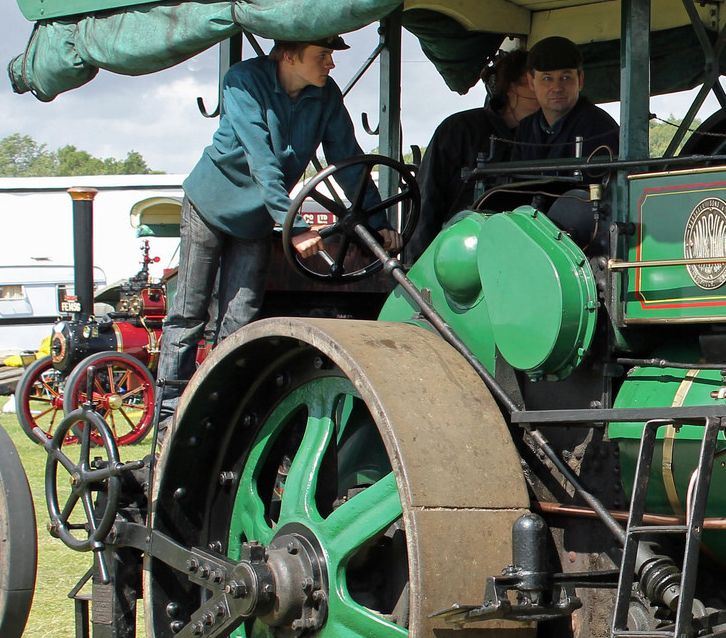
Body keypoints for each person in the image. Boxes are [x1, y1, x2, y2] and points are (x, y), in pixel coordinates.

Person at [155, 35, 397, 427]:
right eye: (322, 56)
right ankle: (166, 421)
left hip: (255, 216)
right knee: (188, 313)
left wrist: (378, 221)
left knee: (240, 319)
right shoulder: (242, 81)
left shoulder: (325, 95)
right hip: (210, 203)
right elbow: (262, 161)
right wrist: (295, 226)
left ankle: (219, 417)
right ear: (289, 56)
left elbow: (348, 160)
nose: (331, 65)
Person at [404, 35, 620, 261]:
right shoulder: (527, 129)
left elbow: (593, 207)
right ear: (531, 82)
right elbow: (516, 192)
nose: (556, 87)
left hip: (579, 251)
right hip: (530, 244)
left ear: (580, 80)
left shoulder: (600, 128)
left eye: (566, 78)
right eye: (547, 79)